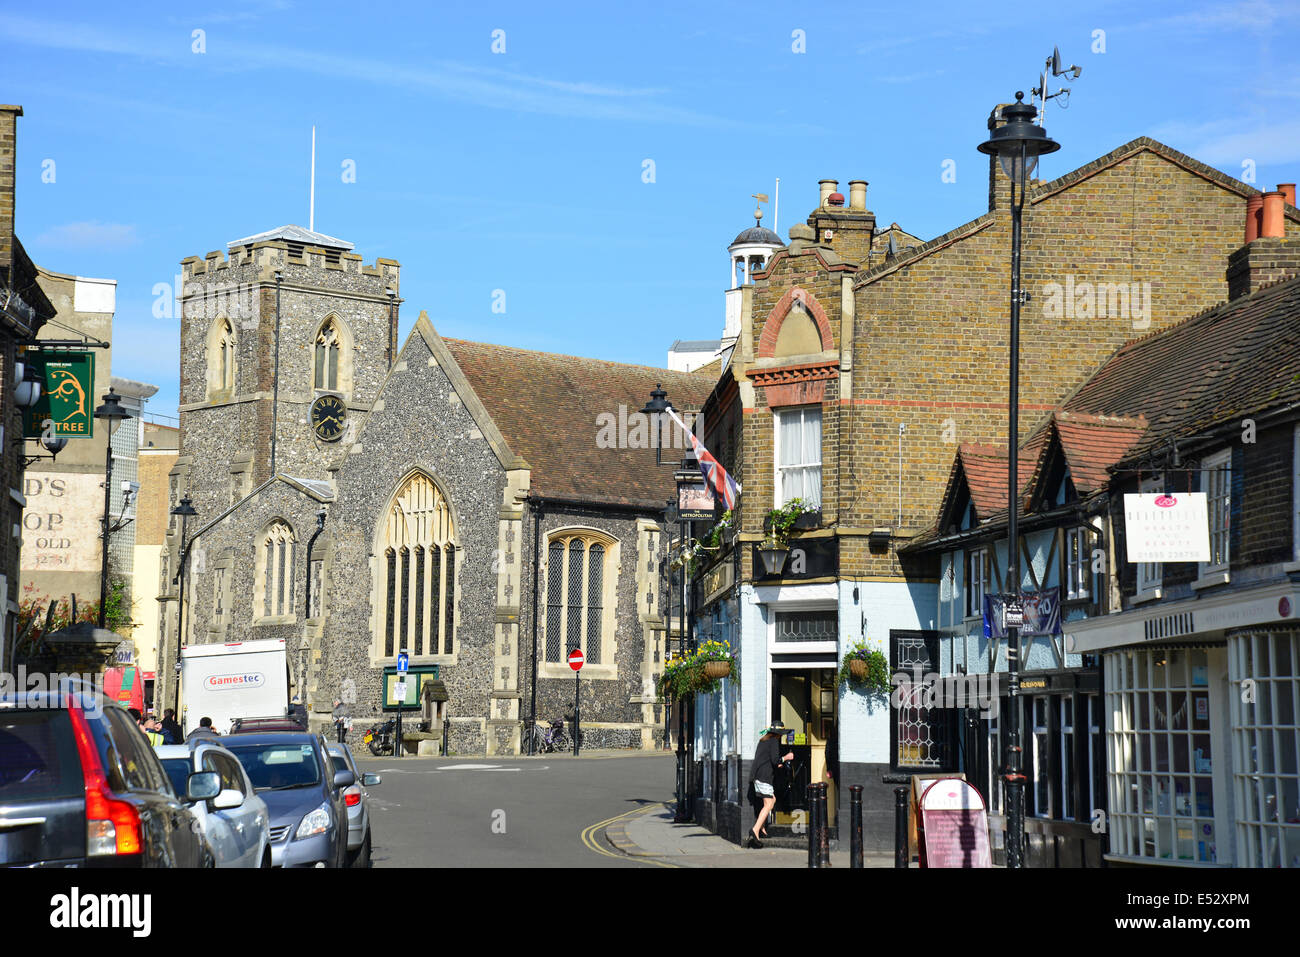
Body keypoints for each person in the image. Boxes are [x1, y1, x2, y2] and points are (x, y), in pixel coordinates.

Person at [747, 721, 795, 849]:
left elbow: (765, 759)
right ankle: (755, 830)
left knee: (771, 800)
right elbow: (774, 760)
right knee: (769, 804)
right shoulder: (773, 741)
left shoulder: (763, 740)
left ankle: (762, 829)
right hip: (764, 776)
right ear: (778, 734)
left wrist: (777, 763)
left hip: (757, 775)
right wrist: (786, 758)